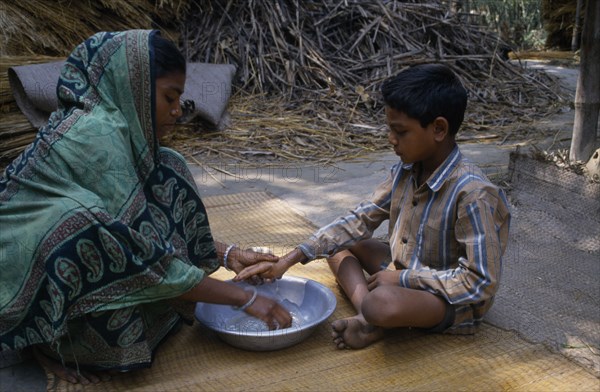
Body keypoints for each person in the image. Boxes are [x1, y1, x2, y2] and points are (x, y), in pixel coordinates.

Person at [0, 30, 291, 384]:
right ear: (133, 85)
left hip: (89, 260)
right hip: (20, 283)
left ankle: (174, 293)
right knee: (82, 228)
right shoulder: (95, 136)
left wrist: (229, 254)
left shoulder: (125, 134)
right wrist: (243, 298)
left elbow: (143, 226)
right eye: (169, 97)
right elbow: (136, 252)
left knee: (166, 167)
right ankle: (50, 340)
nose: (175, 111)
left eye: (179, 99)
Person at [236, 63, 511, 350]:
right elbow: (358, 219)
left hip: (446, 299)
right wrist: (288, 260)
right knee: (336, 246)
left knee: (382, 302)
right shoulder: (405, 172)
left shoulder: (473, 193)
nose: (391, 140)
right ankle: (368, 318)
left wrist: (403, 278)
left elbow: (481, 281)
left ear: (439, 129)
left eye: (400, 131)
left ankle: (374, 315)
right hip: (404, 270)